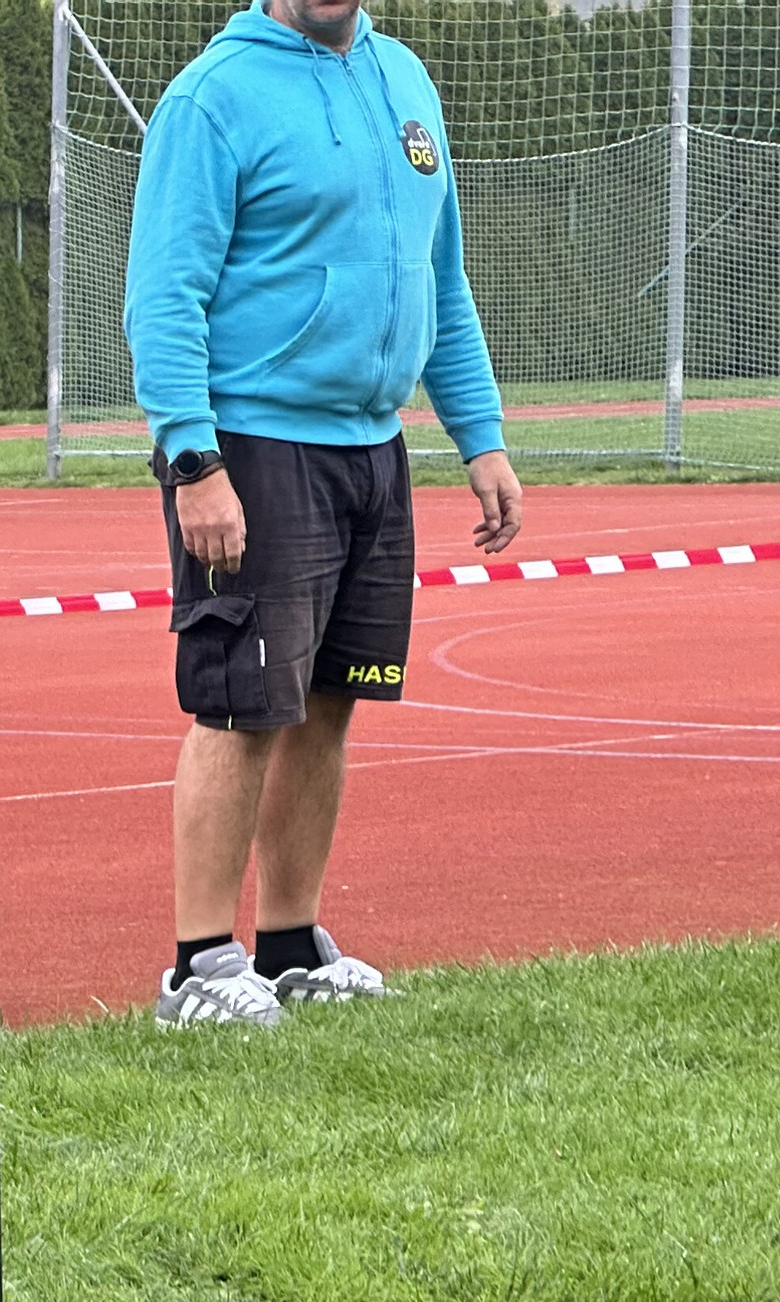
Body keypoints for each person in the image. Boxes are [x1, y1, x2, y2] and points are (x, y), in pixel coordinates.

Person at [124, 0, 523, 1029]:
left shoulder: (404, 79)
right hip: (253, 446)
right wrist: (192, 459)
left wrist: (478, 436)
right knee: (240, 706)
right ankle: (197, 966)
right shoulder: (211, 98)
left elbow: (441, 278)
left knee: (328, 702)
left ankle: (291, 944)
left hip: (371, 448)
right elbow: (162, 294)